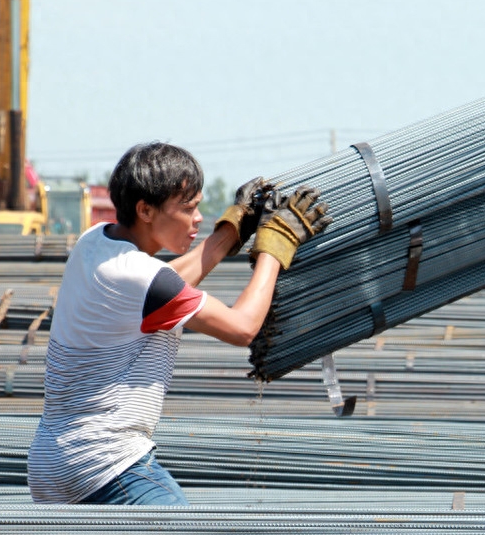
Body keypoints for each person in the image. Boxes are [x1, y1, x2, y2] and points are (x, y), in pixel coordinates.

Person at [27, 142, 330, 505]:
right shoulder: (143, 278)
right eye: (188, 209)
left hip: (52, 463)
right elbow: (243, 326)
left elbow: (160, 285)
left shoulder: (95, 242)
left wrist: (231, 232)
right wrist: (276, 245)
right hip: (107, 464)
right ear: (145, 210)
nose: (198, 218)